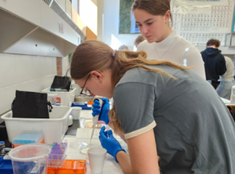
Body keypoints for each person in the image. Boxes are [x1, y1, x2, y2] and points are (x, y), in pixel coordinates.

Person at [70, 40, 235, 174]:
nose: (91, 94)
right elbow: (149, 146)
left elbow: (144, 170)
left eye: (87, 89)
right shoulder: (139, 72)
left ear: (96, 75)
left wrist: (117, 152)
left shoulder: (128, 87)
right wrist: (111, 122)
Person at [133, 0, 205, 79]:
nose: (144, 31)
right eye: (139, 25)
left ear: (167, 16)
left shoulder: (189, 53)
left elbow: (201, 91)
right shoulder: (142, 48)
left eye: (149, 23)